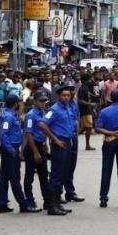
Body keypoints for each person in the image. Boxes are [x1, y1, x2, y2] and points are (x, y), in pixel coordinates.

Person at [0, 94, 40, 214]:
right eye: (20, 102)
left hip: (11, 149)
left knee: (4, 178)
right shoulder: (8, 117)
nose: (21, 104)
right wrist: (11, 150)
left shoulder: (12, 115)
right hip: (10, 150)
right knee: (14, 178)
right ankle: (23, 204)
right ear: (16, 104)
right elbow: (3, 135)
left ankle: (2, 203)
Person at [23, 92, 65, 215]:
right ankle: (30, 202)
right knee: (29, 176)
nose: (43, 103)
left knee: (44, 177)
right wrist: (36, 152)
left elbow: (43, 130)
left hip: (41, 146)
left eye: (45, 101)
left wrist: (45, 145)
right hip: (32, 148)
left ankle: (47, 202)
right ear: (35, 101)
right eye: (41, 101)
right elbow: (28, 134)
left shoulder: (43, 112)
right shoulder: (30, 115)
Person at [39, 85, 75, 215]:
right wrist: (54, 139)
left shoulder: (68, 107)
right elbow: (42, 124)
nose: (66, 97)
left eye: (68, 95)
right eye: (64, 95)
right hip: (59, 143)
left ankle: (57, 203)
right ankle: (52, 206)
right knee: (56, 175)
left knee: (63, 173)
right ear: (59, 96)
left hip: (67, 143)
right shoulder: (54, 109)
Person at [64, 84, 84, 203]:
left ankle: (70, 192)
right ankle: (58, 193)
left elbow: (77, 117)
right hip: (64, 138)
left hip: (74, 136)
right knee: (63, 166)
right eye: (67, 92)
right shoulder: (59, 107)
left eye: (72, 91)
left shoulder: (74, 103)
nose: (70, 93)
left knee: (72, 165)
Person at [78, 73, 96, 150]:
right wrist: (90, 104)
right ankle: (87, 145)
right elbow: (80, 100)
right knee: (88, 127)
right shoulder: (82, 88)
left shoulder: (85, 87)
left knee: (85, 127)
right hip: (85, 110)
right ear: (86, 80)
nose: (91, 80)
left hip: (87, 109)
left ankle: (87, 144)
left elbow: (88, 94)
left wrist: (94, 96)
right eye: (90, 79)